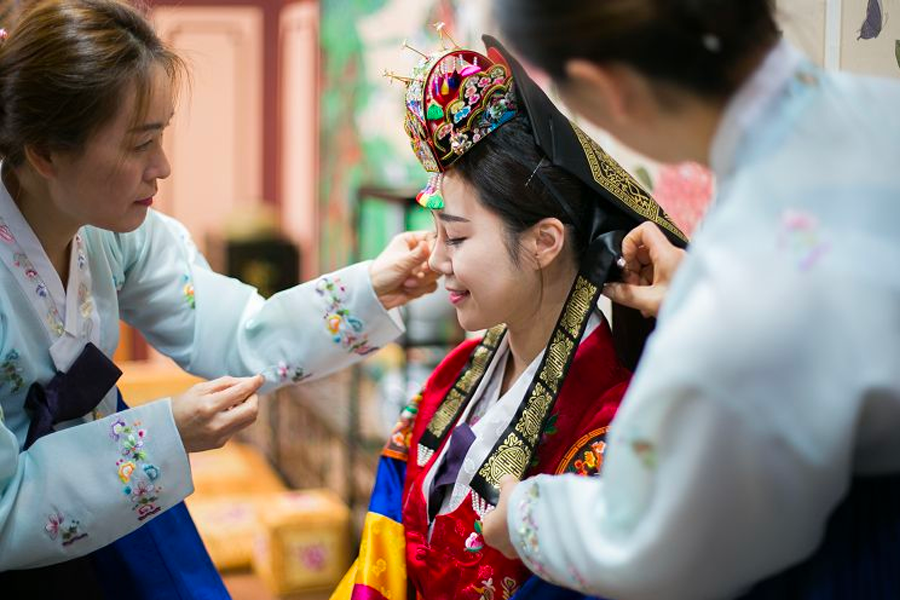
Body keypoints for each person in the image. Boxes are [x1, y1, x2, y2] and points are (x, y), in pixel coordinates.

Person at [0, 0, 437, 596]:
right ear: (46, 152)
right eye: (139, 144)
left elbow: (236, 331)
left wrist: (373, 286)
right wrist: (165, 434)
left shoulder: (108, 236)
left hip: (109, 502)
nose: (163, 167)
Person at [481, 0, 900, 598]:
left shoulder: (738, 285)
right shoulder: (881, 110)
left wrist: (527, 515)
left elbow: (649, 542)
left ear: (609, 89)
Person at [331, 30, 687, 600]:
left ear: (545, 241)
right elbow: (383, 553)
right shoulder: (452, 377)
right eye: (437, 233)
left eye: (456, 237)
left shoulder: (611, 430)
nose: (437, 259)